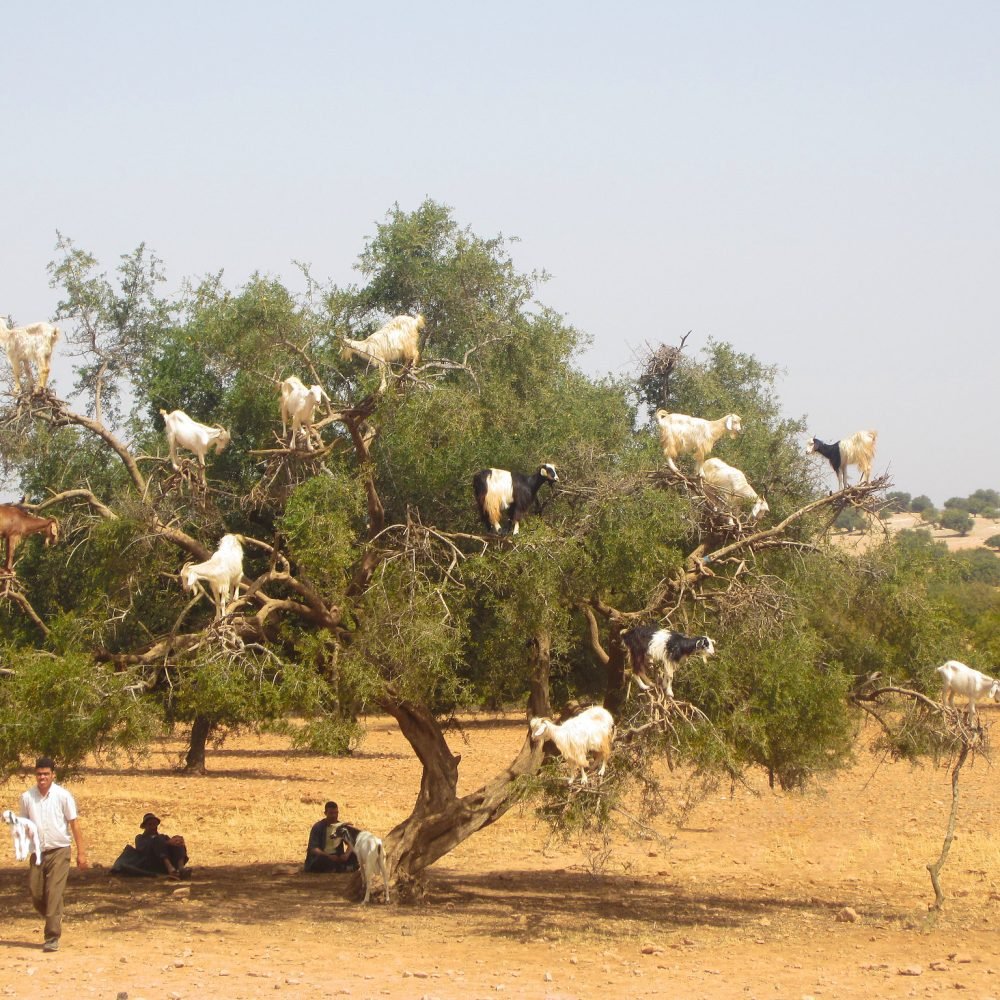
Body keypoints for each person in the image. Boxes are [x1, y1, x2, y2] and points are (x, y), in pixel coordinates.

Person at [18, 756, 89, 953]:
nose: (42, 777)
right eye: (39, 774)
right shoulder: (27, 797)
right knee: (35, 892)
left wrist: (81, 853)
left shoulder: (63, 796)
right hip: (38, 853)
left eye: (46, 774)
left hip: (60, 850)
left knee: (54, 893)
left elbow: (74, 824)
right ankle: (54, 914)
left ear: (53, 775)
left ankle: (51, 936)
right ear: (35, 775)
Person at [112, 812, 189, 879]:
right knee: (157, 840)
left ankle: (180, 868)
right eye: (150, 824)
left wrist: (176, 841)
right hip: (151, 864)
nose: (153, 826)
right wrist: (165, 843)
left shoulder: (163, 837)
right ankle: (170, 869)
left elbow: (170, 844)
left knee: (177, 841)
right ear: (145, 826)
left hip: (165, 864)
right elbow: (144, 850)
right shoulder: (140, 838)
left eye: (155, 824)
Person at [304, 801, 360, 873]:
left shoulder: (341, 827)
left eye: (336, 813)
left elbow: (351, 842)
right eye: (331, 813)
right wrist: (328, 856)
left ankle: (341, 867)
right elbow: (314, 849)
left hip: (337, 857)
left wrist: (346, 855)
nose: (334, 815)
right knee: (321, 859)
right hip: (324, 856)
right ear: (325, 813)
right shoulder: (318, 827)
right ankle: (342, 868)